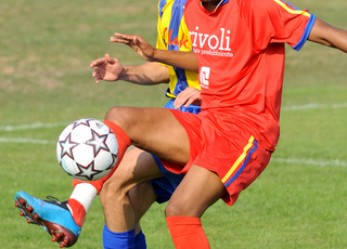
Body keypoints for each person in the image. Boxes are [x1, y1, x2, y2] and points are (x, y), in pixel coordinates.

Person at [90, 0, 347, 248]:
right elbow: (217, 63)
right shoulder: (192, 9)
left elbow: (328, 35)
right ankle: (77, 203)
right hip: (208, 121)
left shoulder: (259, 7)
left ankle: (73, 209)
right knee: (119, 119)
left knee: (180, 211)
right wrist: (150, 57)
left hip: (246, 132)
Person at [14, 0, 200, 248]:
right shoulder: (168, 4)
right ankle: (73, 208)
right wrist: (125, 73)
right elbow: (170, 67)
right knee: (114, 190)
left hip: (211, 116)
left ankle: (74, 208)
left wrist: (212, 90)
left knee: (119, 121)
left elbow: (238, 61)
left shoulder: (217, 6)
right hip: (178, 115)